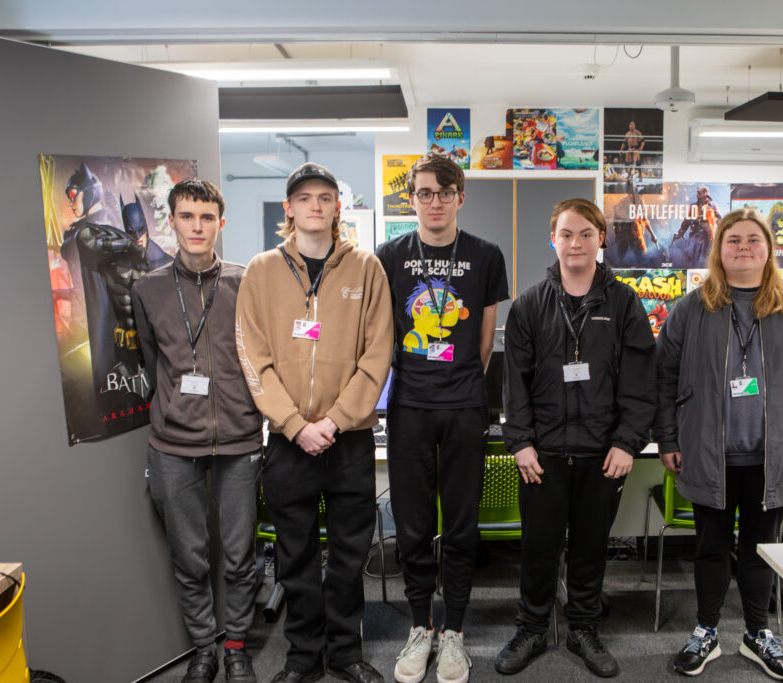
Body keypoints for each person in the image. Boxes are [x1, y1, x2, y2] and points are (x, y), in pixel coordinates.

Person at [655, 208, 783, 680]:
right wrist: (667, 437)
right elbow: (663, 377)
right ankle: (706, 631)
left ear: (768, 249)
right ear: (718, 250)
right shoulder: (692, 307)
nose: (742, 248)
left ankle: (758, 633)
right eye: (732, 240)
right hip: (707, 454)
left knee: (763, 550)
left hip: (774, 457)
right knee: (710, 548)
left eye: (752, 240)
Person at [236, 162, 393, 683]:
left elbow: (377, 355)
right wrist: (293, 423)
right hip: (287, 442)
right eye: (305, 198)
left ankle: (344, 654)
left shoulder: (367, 268)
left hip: (348, 441)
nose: (316, 206)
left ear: (337, 207)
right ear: (289, 208)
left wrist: (336, 419)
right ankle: (303, 657)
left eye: (326, 197)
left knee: (349, 558)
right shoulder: (260, 271)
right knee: (295, 556)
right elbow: (252, 357)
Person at [494, 198, 656, 678]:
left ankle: (584, 627)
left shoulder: (624, 303)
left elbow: (640, 381)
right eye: (567, 234)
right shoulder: (529, 304)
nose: (576, 243)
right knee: (538, 547)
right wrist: (520, 441)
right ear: (554, 241)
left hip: (602, 454)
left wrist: (628, 442)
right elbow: (513, 384)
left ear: (601, 239)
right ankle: (531, 627)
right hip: (542, 454)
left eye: (586, 233)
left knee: (590, 547)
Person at [375, 155, 509, 683]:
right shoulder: (389, 256)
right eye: (425, 193)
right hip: (408, 406)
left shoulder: (485, 255)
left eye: (444, 192)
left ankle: (453, 633)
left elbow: (483, 343)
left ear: (460, 196)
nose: (434, 202)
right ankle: (419, 628)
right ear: (412, 199)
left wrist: (458, 390)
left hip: (462, 407)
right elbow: (382, 337)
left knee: (459, 526)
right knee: (411, 526)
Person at [130, 179, 264, 683]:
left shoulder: (246, 281)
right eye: (187, 216)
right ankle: (204, 647)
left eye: (207, 218)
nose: (197, 227)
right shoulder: (147, 288)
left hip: (239, 439)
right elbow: (151, 359)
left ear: (220, 224)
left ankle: (236, 647)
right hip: (172, 444)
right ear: (173, 221)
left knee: (238, 556)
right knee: (189, 559)